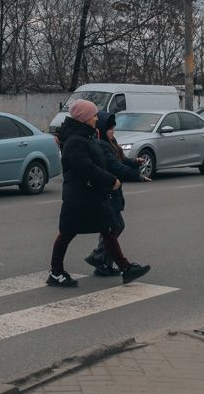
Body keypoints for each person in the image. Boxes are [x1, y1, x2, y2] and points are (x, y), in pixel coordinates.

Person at [49, 99, 150, 287]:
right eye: (93, 115)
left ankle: (126, 268)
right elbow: (86, 167)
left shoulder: (87, 137)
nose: (96, 118)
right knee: (66, 233)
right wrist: (111, 179)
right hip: (79, 196)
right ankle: (55, 272)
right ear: (84, 118)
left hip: (92, 194)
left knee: (109, 229)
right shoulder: (75, 141)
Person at [85, 112, 150, 276]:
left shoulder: (110, 142)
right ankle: (99, 257)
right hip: (108, 190)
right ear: (102, 129)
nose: (113, 131)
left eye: (113, 128)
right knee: (115, 226)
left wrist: (134, 161)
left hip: (112, 191)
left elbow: (121, 160)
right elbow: (115, 166)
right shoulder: (101, 145)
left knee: (111, 228)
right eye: (110, 129)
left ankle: (102, 263)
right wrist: (137, 176)